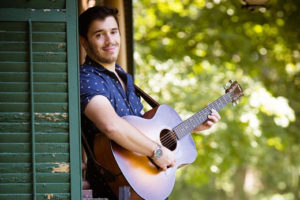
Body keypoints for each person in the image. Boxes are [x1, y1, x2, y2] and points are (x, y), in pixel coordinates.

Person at [79, 5, 221, 199]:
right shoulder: (87, 78)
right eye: (99, 35)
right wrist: (157, 152)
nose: (110, 40)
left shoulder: (124, 77)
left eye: (113, 32)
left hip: (146, 187)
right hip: (112, 189)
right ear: (84, 43)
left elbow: (143, 132)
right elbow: (111, 125)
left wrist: (194, 127)